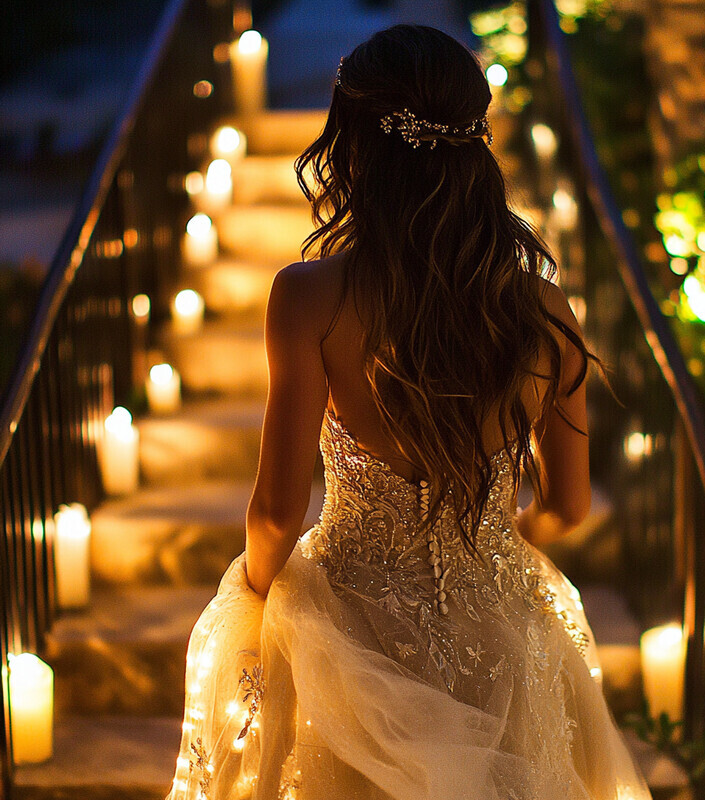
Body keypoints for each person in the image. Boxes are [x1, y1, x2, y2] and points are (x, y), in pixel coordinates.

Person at [166, 25, 652, 800]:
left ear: (356, 145)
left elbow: (274, 514)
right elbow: (569, 505)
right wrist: (495, 545)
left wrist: (257, 607)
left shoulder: (310, 297)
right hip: (501, 636)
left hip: (353, 639)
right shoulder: (545, 310)